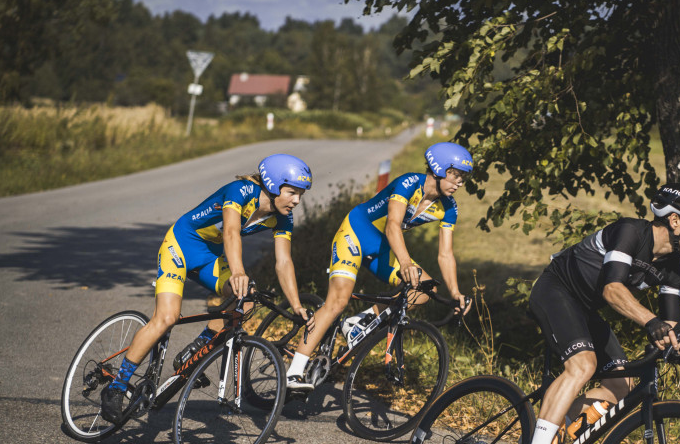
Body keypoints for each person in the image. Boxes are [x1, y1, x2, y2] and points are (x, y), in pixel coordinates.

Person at [515, 182, 680, 444]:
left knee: (621, 385)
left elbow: (675, 332)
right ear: (675, 220)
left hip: (585, 311)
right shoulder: (630, 232)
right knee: (583, 365)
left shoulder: (674, 268)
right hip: (556, 290)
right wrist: (650, 320)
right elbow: (612, 289)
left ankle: (552, 432)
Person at [99, 154, 314, 423]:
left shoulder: (283, 218)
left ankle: (196, 349)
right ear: (271, 184)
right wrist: (237, 271)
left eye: (300, 195)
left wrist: (295, 305)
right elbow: (231, 232)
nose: (296, 200)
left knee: (246, 300)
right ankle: (116, 387)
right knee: (166, 318)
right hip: (180, 245)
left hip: (209, 257)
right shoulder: (241, 191)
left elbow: (284, 262)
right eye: (292, 192)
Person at [285, 141, 473, 392]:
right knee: (337, 301)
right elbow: (392, 225)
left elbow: (446, 254)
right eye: (456, 175)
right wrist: (405, 262)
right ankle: (294, 372)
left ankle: (358, 321)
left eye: (463, 178)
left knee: (424, 291)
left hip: (381, 245)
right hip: (356, 231)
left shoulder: (449, 207)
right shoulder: (409, 183)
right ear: (438, 169)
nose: (459, 182)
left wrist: (456, 292)